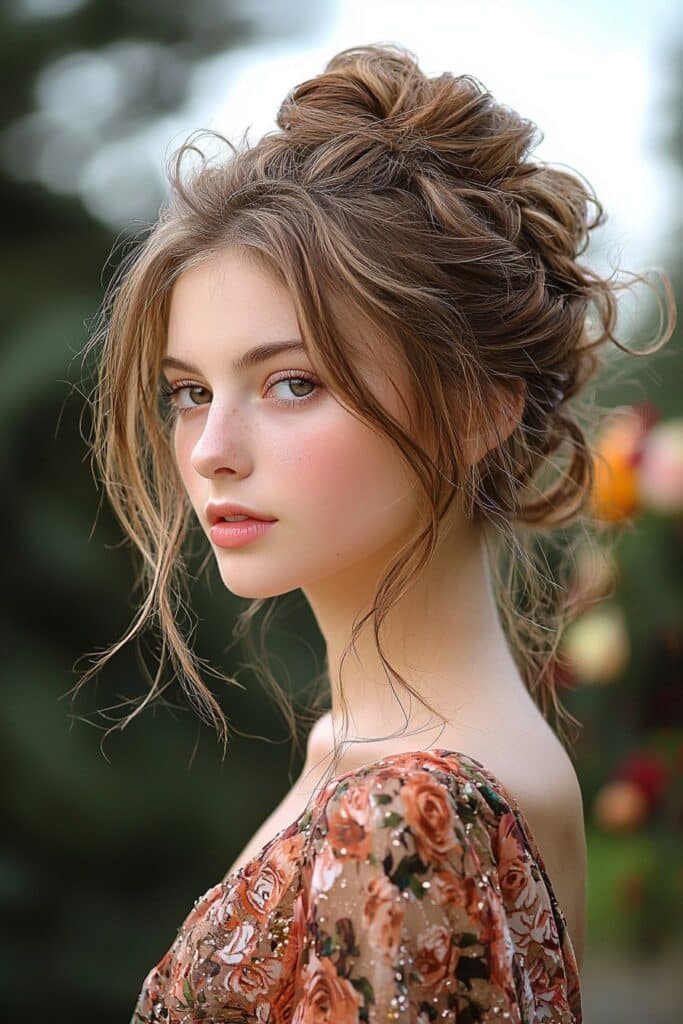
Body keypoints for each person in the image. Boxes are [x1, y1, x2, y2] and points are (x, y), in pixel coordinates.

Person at [77, 41, 673, 1024]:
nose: (211, 450)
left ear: (477, 406)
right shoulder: (368, 762)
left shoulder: (413, 816)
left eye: (291, 382)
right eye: (188, 391)